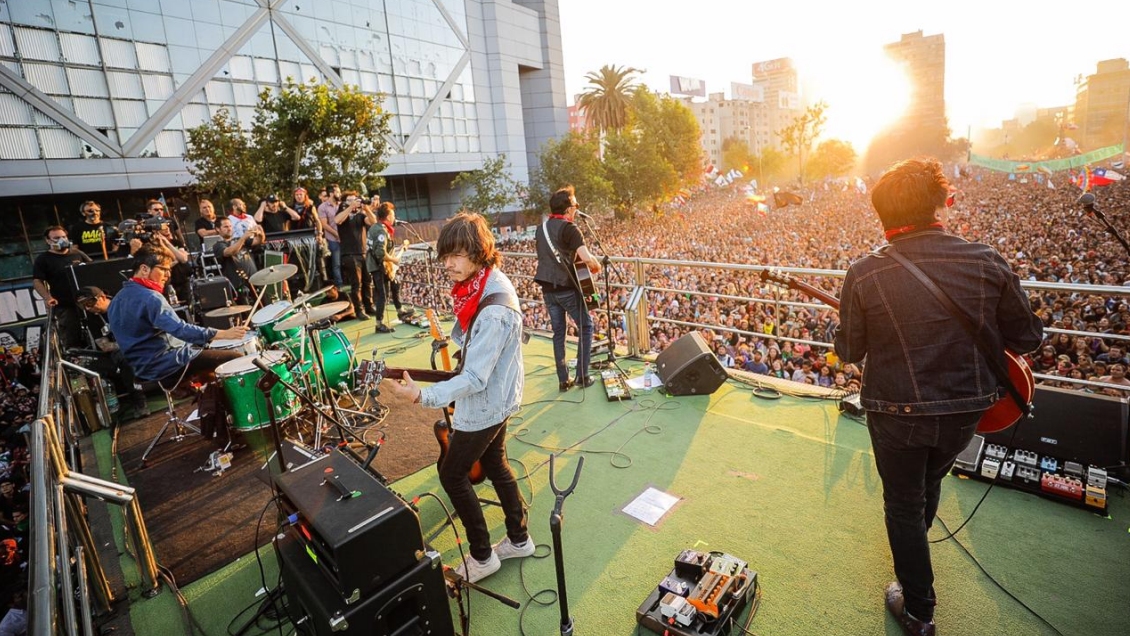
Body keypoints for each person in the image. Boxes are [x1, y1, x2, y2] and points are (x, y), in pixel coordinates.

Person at [833, 157, 1043, 636]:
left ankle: (918, 610)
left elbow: (849, 351)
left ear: (882, 214)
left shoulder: (863, 273)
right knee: (929, 483)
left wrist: (842, 329)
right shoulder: (986, 260)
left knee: (903, 502)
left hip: (896, 412)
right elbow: (1028, 338)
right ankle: (915, 558)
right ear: (939, 204)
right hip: (967, 410)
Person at [383, 211, 531, 583]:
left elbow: (475, 378)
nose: (448, 264)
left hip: (488, 402)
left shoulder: (493, 310)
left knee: (452, 474)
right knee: (496, 463)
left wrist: (422, 395)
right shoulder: (484, 282)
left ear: (479, 253)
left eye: (456, 255)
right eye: (445, 256)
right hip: (501, 395)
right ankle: (519, 538)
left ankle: (482, 556)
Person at [108, 245, 248, 387]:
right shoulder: (150, 297)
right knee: (236, 358)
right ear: (144, 269)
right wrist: (223, 334)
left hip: (141, 369)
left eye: (169, 270)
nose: (168, 275)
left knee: (209, 373)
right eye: (163, 269)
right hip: (165, 364)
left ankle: (203, 396)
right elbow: (181, 330)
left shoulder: (115, 300)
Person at [534, 185, 602, 392]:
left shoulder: (541, 229)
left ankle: (564, 379)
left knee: (559, 333)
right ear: (569, 208)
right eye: (575, 205)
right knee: (586, 326)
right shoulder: (571, 229)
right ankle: (582, 376)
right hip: (566, 288)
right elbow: (587, 258)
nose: (577, 209)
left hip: (548, 290)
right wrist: (596, 265)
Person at [75, 286, 149, 417]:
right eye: (83, 306)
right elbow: (105, 346)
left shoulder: (122, 305)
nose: (87, 308)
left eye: (90, 303)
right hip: (122, 350)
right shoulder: (93, 319)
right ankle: (139, 401)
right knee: (124, 359)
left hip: (141, 341)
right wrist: (126, 344)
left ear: (102, 297)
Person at [32, 226, 92, 348]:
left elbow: (93, 268)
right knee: (71, 335)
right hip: (65, 304)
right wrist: (47, 297)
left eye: (64, 237)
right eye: (57, 238)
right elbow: (37, 281)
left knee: (96, 329)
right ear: (48, 241)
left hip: (87, 300)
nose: (62, 240)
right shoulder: (43, 259)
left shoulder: (77, 254)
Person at [367, 201, 415, 333]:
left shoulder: (377, 227)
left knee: (395, 284)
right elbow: (381, 254)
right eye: (393, 215)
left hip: (383, 265)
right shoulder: (381, 231)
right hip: (378, 266)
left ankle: (400, 311)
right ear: (388, 216)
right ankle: (379, 324)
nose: (394, 217)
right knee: (382, 295)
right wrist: (394, 260)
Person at [334, 191, 376, 320]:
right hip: (349, 254)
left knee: (367, 281)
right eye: (350, 200)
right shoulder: (342, 213)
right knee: (356, 284)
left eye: (355, 200)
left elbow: (373, 222)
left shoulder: (360, 215)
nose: (354, 202)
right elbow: (337, 220)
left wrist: (367, 208)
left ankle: (369, 306)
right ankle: (359, 310)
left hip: (363, 252)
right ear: (345, 202)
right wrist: (350, 207)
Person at [213, 218, 263, 304]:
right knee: (247, 309)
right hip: (239, 286)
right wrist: (243, 238)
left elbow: (258, 241)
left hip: (254, 280)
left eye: (230, 226)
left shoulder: (239, 240)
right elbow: (230, 252)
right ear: (218, 229)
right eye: (225, 227)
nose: (229, 228)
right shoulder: (218, 245)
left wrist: (260, 232)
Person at [318, 184, 344, 288]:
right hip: (333, 239)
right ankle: (339, 284)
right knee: (336, 263)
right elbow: (324, 224)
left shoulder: (342, 204)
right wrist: (337, 234)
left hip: (346, 237)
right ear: (331, 193)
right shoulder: (322, 207)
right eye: (337, 192)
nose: (339, 194)